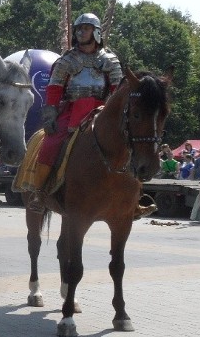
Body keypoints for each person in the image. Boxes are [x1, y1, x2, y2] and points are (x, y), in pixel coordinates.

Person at [25, 13, 155, 218]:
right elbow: (54, 89)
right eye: (79, 29)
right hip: (72, 109)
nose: (81, 32)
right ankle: (39, 193)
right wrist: (50, 113)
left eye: (86, 28)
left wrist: (114, 114)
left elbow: (117, 90)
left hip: (102, 110)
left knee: (128, 144)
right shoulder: (67, 60)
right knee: (51, 143)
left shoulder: (110, 61)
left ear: (95, 32)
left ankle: (135, 198)